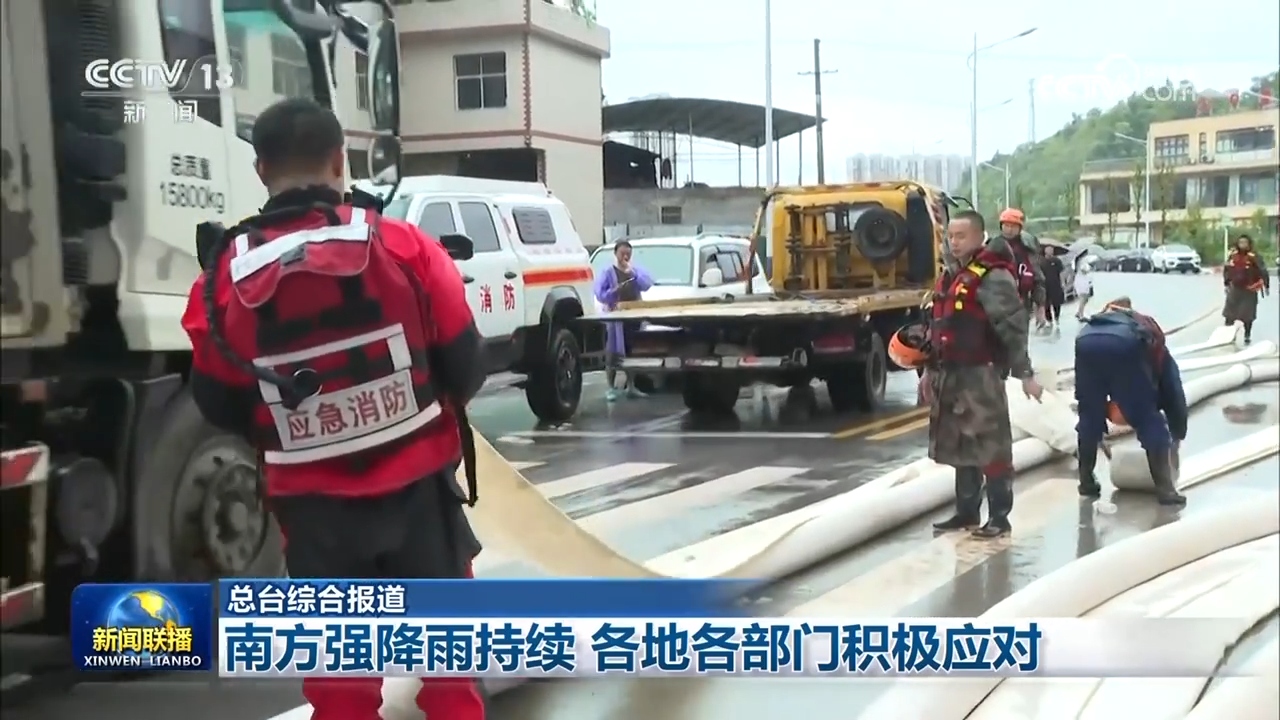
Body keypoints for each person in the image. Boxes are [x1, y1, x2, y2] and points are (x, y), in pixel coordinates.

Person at [181, 99, 487, 720]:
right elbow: (466, 365)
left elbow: (217, 400)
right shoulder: (405, 248)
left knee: (341, 688)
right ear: (340, 161)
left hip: (312, 511)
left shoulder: (221, 282)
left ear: (262, 170)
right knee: (451, 671)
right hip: (421, 496)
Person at [890, 210, 1043, 539]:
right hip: (950, 373)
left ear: (978, 236)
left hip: (981, 374)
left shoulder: (992, 276)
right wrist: (928, 373)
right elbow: (936, 328)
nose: (954, 242)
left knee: (990, 445)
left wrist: (1025, 373)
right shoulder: (950, 276)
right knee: (960, 444)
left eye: (961, 236)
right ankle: (967, 511)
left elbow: (1012, 327)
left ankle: (999, 516)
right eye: (950, 236)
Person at [1075, 297, 1188, 506]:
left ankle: (1086, 482)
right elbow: (1173, 389)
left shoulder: (1095, 324)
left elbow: (1087, 399)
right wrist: (1177, 432)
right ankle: (1166, 490)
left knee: (1089, 416)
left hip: (1085, 343)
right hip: (1125, 347)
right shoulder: (1145, 331)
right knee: (1147, 418)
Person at [594, 239, 655, 401]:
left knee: (631, 352)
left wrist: (632, 273)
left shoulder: (634, 270)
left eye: (628, 254)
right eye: (622, 253)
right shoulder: (608, 271)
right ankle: (611, 387)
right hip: (616, 318)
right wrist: (614, 291)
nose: (625, 257)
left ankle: (631, 386)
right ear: (615, 254)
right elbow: (600, 294)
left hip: (633, 316)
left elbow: (647, 284)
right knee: (612, 353)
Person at [995, 208, 1048, 330]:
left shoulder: (1027, 250)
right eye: (1006, 226)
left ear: (1019, 228)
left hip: (1020, 305)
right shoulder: (992, 248)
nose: (1009, 230)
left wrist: (1040, 307)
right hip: (997, 304)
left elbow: (1037, 279)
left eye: (1013, 226)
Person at [1222, 234, 1270, 345]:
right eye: (1240, 242)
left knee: (1248, 315)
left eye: (1245, 243)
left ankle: (1247, 335)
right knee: (1229, 314)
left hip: (1249, 289)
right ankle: (1228, 335)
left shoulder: (1254, 256)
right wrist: (1226, 283)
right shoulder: (1233, 255)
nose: (1242, 245)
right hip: (1235, 289)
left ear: (1249, 244)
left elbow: (1263, 270)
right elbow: (1227, 269)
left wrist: (1266, 285)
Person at [1039, 245, 1066, 330]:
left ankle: (1057, 317)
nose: (1051, 252)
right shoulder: (1041, 262)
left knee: (1056, 303)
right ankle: (1049, 319)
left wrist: (1063, 282)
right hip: (1045, 285)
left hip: (1056, 284)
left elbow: (1061, 272)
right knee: (1046, 303)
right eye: (1049, 250)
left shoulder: (1057, 261)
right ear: (1045, 251)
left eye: (1052, 250)